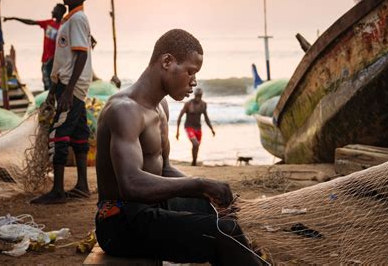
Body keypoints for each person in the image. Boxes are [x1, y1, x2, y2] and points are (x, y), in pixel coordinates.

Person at [95, 29, 263, 265]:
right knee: (223, 232)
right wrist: (200, 184)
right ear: (167, 61)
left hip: (151, 207)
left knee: (223, 212)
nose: (194, 81)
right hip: (120, 221)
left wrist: (207, 192)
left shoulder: (160, 106)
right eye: (190, 71)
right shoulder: (125, 110)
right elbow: (130, 184)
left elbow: (164, 169)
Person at [31, 0, 93, 204]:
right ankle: (83, 186)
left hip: (72, 87)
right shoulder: (68, 19)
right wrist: (52, 91)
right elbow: (64, 60)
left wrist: (67, 91)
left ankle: (58, 191)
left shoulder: (77, 19)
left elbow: (82, 55)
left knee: (58, 133)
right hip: (66, 84)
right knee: (79, 135)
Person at [3, 3, 66, 90]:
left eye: (54, 9)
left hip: (55, 61)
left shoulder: (64, 26)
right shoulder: (48, 23)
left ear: (59, 12)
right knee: (46, 83)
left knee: (54, 84)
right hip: (45, 60)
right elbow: (31, 22)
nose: (52, 11)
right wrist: (14, 18)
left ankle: (53, 101)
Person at [176, 87, 215, 166]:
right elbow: (180, 117)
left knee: (196, 146)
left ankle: (194, 162)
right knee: (195, 144)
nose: (198, 98)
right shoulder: (188, 104)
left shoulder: (203, 104)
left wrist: (211, 129)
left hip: (198, 128)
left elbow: (206, 118)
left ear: (201, 96)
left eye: (199, 96)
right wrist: (177, 131)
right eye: (196, 96)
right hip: (189, 127)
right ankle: (194, 162)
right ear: (194, 95)